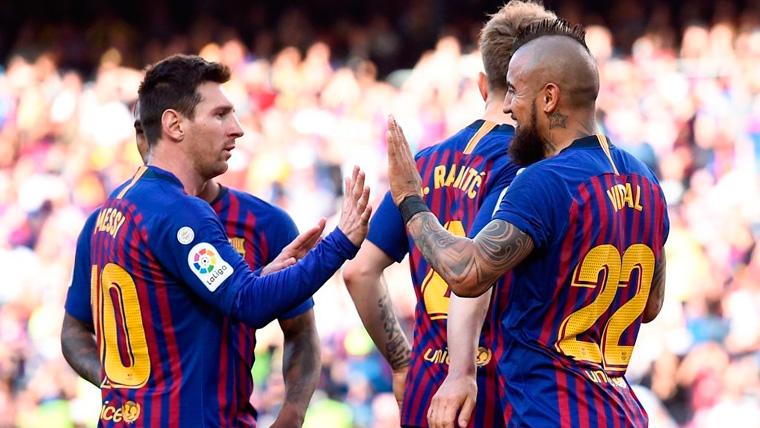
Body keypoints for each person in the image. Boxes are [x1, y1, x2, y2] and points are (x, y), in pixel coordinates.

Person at [386, 19, 669, 427]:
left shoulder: (544, 181)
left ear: (549, 98)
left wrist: (410, 200)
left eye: (516, 90)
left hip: (550, 412)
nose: (507, 106)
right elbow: (651, 306)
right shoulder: (646, 179)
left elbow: (466, 275)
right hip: (620, 412)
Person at [64, 54, 370, 427]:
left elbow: (218, 304)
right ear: (174, 125)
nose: (238, 128)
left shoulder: (110, 212)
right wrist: (341, 242)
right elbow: (248, 301)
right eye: (220, 114)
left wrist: (129, 390)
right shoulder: (180, 212)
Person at [343, 3, 556, 427]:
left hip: (427, 387)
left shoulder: (422, 162)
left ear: (482, 84)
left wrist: (403, 363)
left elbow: (359, 272)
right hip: (492, 390)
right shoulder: (532, 170)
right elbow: (474, 274)